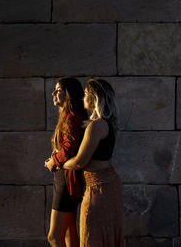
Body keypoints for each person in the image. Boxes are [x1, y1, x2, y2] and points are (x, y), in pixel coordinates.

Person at [60, 78, 124, 247]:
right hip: (107, 184)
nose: (83, 98)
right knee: (105, 234)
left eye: (86, 94)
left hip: (99, 188)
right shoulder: (106, 124)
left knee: (91, 233)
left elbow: (80, 161)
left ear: (95, 98)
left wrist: (58, 163)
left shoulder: (96, 125)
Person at [44, 77, 87, 247]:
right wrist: (55, 156)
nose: (53, 93)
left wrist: (53, 161)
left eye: (58, 90)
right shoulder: (68, 116)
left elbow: (69, 149)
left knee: (54, 237)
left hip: (67, 181)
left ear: (68, 94)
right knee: (70, 235)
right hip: (66, 179)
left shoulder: (71, 117)